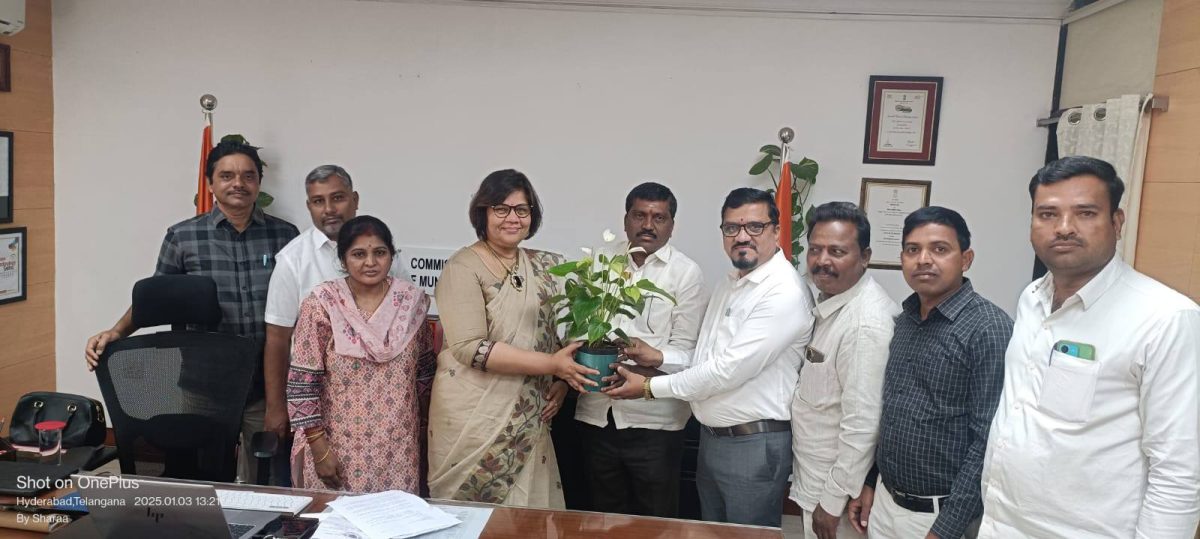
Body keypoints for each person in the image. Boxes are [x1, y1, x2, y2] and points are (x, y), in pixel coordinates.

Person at [977, 156, 1200, 538]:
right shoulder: (1032, 298)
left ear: (1116, 222)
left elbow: (1178, 472)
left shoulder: (1165, 318)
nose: (1064, 227)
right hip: (1001, 524)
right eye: (1047, 214)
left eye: (1085, 213)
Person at [84, 140, 299, 482]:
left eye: (248, 176)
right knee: (201, 483)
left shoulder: (285, 236)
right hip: (203, 386)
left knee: (267, 480)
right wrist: (117, 331)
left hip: (265, 385)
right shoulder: (183, 237)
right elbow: (155, 299)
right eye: (226, 176)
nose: (238, 183)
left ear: (259, 182)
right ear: (210, 183)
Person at [606, 187, 814, 528]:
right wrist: (658, 356)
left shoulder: (782, 292)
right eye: (732, 228)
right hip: (715, 438)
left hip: (752, 444)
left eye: (755, 227)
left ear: (776, 231)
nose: (742, 236)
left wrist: (648, 387)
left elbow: (726, 371)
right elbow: (704, 358)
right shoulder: (731, 283)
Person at [426, 169, 597, 509]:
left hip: (529, 412)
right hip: (472, 417)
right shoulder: (463, 267)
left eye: (521, 209)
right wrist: (552, 366)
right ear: (483, 213)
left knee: (529, 511)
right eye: (501, 209)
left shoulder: (547, 265)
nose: (513, 218)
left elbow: (560, 334)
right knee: (470, 518)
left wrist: (561, 381)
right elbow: (470, 348)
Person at [848, 206, 1011, 539]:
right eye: (913, 249)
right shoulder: (905, 320)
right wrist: (871, 481)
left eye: (939, 249)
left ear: (966, 259)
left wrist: (945, 529)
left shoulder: (989, 328)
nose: (923, 259)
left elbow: (987, 441)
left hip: (940, 517)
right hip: (885, 503)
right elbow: (892, 413)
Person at [262, 165, 414, 486]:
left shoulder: (389, 257)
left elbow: (408, 324)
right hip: (330, 415)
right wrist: (277, 408)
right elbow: (277, 339)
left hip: (392, 423)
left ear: (354, 199)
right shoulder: (293, 260)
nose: (329, 209)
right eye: (319, 201)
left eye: (338, 198)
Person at [573, 182, 707, 518]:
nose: (648, 225)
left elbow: (689, 354)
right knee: (600, 518)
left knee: (654, 522)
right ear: (626, 219)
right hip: (597, 415)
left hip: (655, 424)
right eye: (639, 215)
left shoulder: (686, 274)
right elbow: (577, 329)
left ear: (672, 225)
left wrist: (651, 359)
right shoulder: (600, 264)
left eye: (659, 217)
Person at [286, 216, 432, 494]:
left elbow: (425, 375)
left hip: (398, 447)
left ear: (392, 255)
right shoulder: (321, 306)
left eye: (380, 253)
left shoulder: (411, 304)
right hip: (337, 447)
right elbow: (303, 384)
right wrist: (319, 449)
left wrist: (427, 434)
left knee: (397, 517)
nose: (370, 262)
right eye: (358, 254)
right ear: (343, 259)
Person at [791, 202, 899, 539]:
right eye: (815, 249)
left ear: (864, 257)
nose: (822, 260)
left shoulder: (864, 324)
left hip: (835, 496)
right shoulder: (832, 303)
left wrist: (832, 501)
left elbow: (863, 424)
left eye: (837, 251)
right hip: (816, 480)